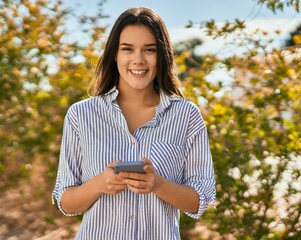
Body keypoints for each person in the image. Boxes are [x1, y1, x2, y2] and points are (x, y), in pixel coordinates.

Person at [52, 6, 215, 240]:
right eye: (127, 49)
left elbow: (200, 201)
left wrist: (158, 184)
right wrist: (99, 184)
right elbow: (66, 203)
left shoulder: (186, 116)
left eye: (149, 50)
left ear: (162, 55)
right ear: (115, 55)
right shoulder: (81, 115)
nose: (138, 60)